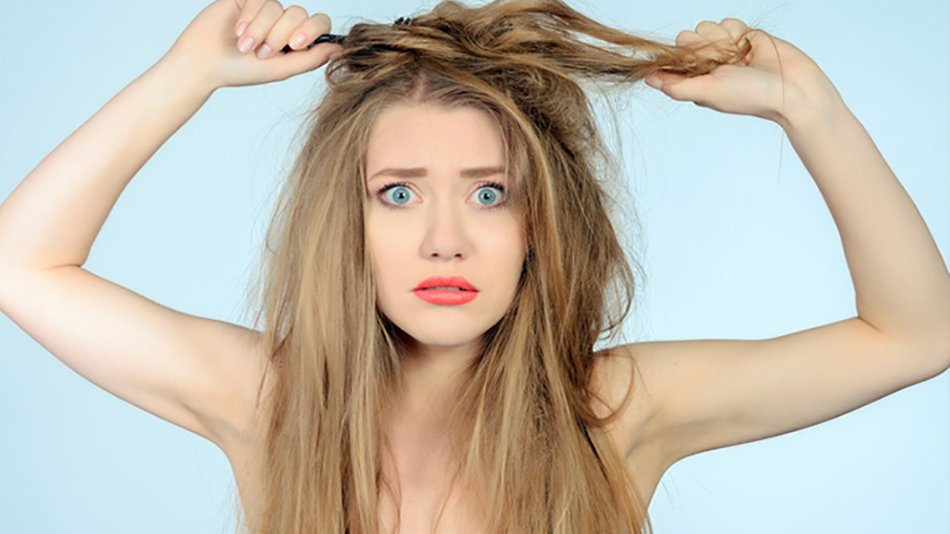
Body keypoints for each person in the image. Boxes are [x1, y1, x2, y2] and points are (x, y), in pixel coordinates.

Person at [0, 0, 947, 533]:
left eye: (490, 192)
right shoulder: (271, 401)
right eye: (398, 194)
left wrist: (808, 108)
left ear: (541, 223)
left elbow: (916, 336)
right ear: (348, 222)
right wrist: (186, 73)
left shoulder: (613, 410)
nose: (444, 240)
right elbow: (22, 264)